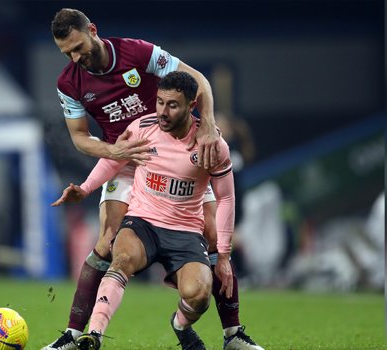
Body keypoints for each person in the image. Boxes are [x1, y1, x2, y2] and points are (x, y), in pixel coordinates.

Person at [44, 8, 249, 350]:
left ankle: (233, 336)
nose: (76, 57)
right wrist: (114, 152)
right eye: (67, 53)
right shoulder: (69, 82)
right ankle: (72, 335)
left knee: (213, 234)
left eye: (79, 47)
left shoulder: (136, 52)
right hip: (124, 159)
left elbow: (197, 79)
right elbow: (80, 137)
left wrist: (209, 123)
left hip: (177, 154)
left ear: (93, 30)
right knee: (108, 241)